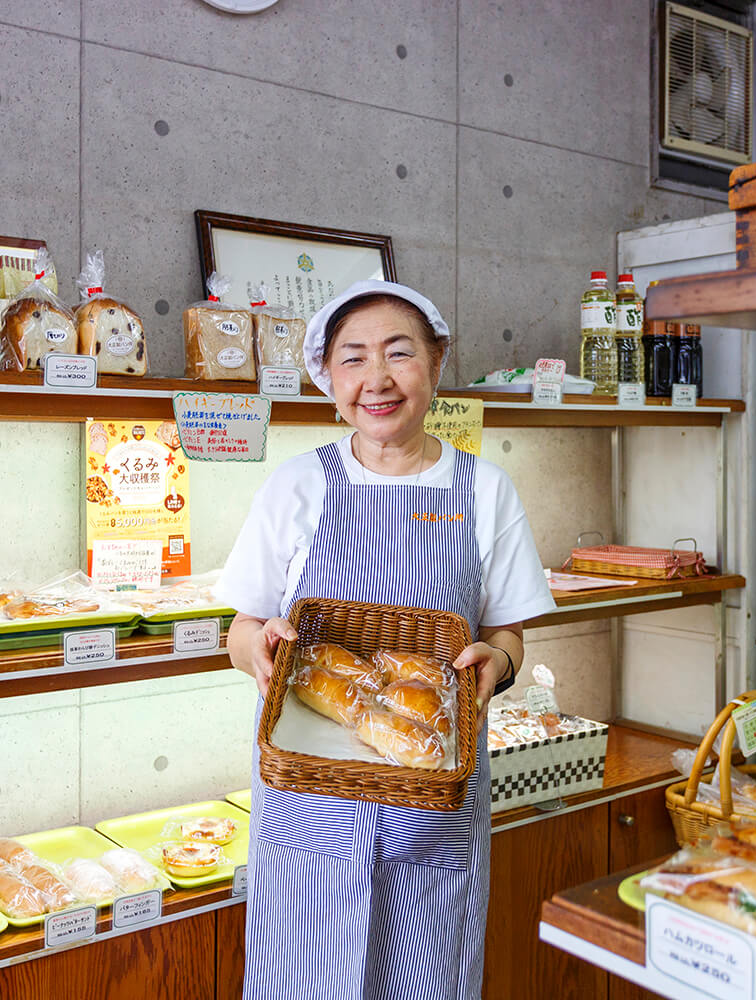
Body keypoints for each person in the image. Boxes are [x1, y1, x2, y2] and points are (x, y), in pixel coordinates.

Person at [217, 280, 556, 1000]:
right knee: (303, 976)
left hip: (434, 796)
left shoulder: (485, 490)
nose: (376, 379)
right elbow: (241, 628)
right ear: (329, 378)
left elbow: (509, 631)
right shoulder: (296, 485)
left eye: (399, 353)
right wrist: (261, 650)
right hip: (308, 797)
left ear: (435, 363)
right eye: (353, 358)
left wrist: (498, 660)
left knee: (423, 976)